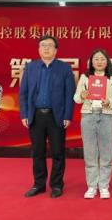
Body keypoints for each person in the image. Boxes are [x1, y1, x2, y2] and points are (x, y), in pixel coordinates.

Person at [19, 35, 76, 198]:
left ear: (56, 50)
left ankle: (56, 185)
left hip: (56, 116)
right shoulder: (30, 67)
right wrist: (24, 114)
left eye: (50, 45)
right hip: (36, 115)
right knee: (38, 152)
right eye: (43, 45)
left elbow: (69, 94)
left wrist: (68, 115)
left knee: (58, 152)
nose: (46, 48)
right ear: (39, 49)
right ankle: (39, 184)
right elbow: (23, 93)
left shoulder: (64, 68)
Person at [73, 48, 112, 199]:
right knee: (90, 153)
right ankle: (91, 186)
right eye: (96, 59)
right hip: (88, 115)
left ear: (107, 61)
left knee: (106, 153)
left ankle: (103, 186)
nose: (99, 62)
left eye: (102, 59)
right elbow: (76, 98)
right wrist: (82, 95)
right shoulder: (85, 77)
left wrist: (110, 102)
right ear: (91, 62)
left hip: (107, 116)